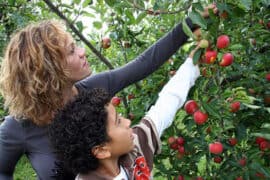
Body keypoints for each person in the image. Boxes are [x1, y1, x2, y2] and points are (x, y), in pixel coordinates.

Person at [0, 5, 217, 180]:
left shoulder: (93, 92)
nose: (83, 52)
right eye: (72, 51)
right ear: (48, 71)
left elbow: (145, 63)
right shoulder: (18, 127)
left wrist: (190, 23)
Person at [48, 47, 200, 179]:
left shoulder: (135, 149)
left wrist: (192, 63)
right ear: (101, 150)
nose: (128, 122)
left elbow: (165, 106)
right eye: (118, 122)